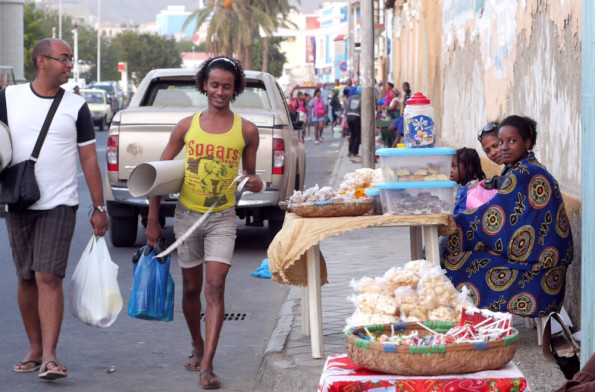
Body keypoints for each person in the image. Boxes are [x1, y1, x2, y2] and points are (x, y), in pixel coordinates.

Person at [145, 56, 262, 390]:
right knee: (192, 289)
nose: (220, 91)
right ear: (204, 86)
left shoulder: (247, 130)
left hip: (222, 218)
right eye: (214, 85)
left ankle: (207, 365)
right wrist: (153, 220)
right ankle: (197, 343)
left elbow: (250, 175)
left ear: (236, 89)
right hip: (186, 217)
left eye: (227, 86)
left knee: (214, 287)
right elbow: (158, 173)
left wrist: (254, 182)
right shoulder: (187, 126)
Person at [1, 38, 108, 380]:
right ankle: (34, 349)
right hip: (19, 198)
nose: (69, 65)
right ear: (41, 61)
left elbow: (89, 156)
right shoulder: (8, 97)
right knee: (25, 276)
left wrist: (99, 206)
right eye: (64, 59)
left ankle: (50, 355)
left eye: (71, 59)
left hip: (60, 202)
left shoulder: (76, 106)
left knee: (48, 276)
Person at [443, 115, 573, 318]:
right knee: (465, 248)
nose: (503, 147)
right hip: (548, 273)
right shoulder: (528, 168)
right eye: (501, 142)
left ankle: (455, 320)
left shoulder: (523, 173)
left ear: (527, 143)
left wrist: (452, 224)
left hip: (538, 277)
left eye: (511, 141)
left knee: (455, 264)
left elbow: (492, 220)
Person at [345, 86, 362, 158]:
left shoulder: (351, 97)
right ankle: (354, 153)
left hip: (349, 116)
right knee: (357, 135)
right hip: (357, 116)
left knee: (352, 134)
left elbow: (347, 107)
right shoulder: (362, 98)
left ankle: (349, 151)